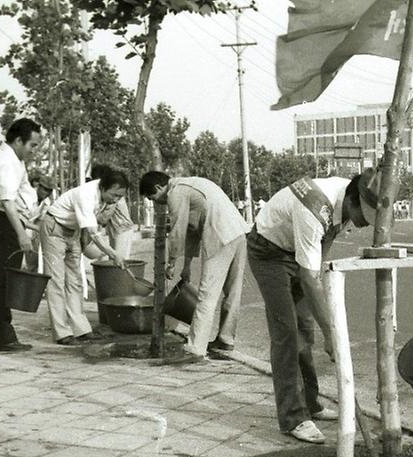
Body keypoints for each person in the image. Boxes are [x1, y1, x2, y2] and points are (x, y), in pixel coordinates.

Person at [247, 170, 378, 443]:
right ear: (353, 200)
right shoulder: (316, 207)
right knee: (287, 334)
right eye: (364, 217)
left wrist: (320, 289)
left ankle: (311, 404)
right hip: (269, 251)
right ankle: (293, 417)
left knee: (305, 329)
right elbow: (308, 277)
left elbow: (323, 245)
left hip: (298, 251)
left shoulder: (347, 194)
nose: (365, 224)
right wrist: (332, 334)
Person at [140, 171, 249, 359]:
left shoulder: (176, 192)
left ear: (159, 188)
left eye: (153, 197)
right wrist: (187, 265)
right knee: (233, 291)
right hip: (238, 232)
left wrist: (171, 263)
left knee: (207, 293)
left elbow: (178, 232)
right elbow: (192, 231)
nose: (156, 202)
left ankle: (195, 348)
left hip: (220, 234)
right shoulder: (191, 184)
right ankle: (226, 339)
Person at [42, 168, 128, 345]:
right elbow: (94, 233)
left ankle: (81, 330)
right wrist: (113, 254)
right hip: (54, 228)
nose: (116, 200)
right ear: (103, 187)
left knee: (75, 281)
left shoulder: (104, 198)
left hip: (72, 232)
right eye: (114, 195)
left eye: (120, 197)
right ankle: (62, 333)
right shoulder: (86, 194)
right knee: (57, 281)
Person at [0, 118, 41, 353]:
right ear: (18, 140)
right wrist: (22, 235)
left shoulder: (12, 158)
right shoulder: (6, 161)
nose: (34, 151)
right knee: (4, 281)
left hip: (4, 220)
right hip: (2, 221)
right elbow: (7, 201)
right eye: (32, 146)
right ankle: (1, 337)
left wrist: (30, 226)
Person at [23, 172, 56, 273]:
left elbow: (41, 220)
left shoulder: (46, 202)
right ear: (38, 186)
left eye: (49, 190)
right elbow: (20, 219)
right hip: (20, 227)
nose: (46, 193)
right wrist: (36, 229)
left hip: (32, 230)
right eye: (45, 189)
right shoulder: (28, 197)